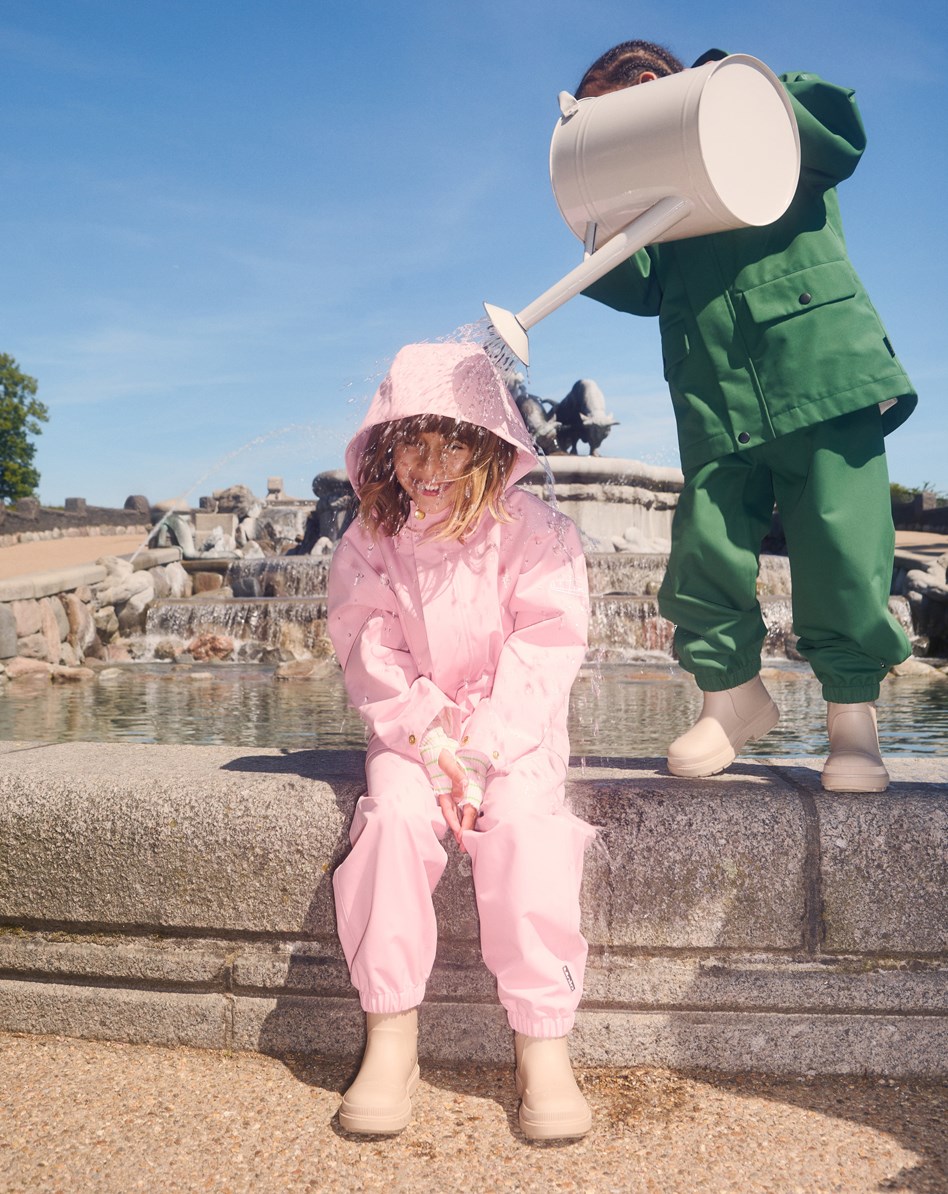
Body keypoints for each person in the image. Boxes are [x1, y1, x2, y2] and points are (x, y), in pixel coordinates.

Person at [575, 40, 917, 792]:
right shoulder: (652, 200)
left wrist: (732, 94)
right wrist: (592, 205)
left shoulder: (757, 101)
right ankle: (730, 698)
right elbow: (636, 283)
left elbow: (837, 130)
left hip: (821, 362)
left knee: (840, 537)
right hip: (713, 390)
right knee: (705, 545)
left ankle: (852, 721)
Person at [327, 340, 594, 1140]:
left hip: (516, 731)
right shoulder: (372, 539)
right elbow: (369, 645)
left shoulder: (537, 531)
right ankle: (391, 1036)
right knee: (394, 824)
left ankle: (542, 1046)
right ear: (386, 446)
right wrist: (430, 739)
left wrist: (484, 750)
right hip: (413, 728)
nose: (428, 462)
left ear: (490, 443)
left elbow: (546, 646)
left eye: (451, 442)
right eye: (410, 441)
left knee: (527, 831)